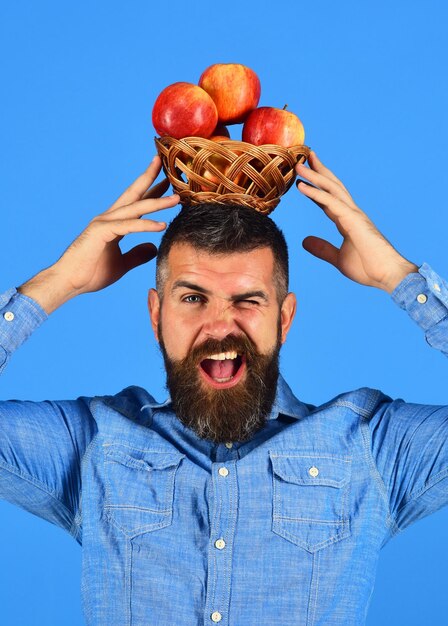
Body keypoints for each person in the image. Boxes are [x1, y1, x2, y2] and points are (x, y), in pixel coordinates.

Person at [1, 151, 447, 626]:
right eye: (193, 298)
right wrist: (57, 283)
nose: (218, 326)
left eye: (247, 300)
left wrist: (399, 277)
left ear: (285, 318)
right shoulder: (95, 443)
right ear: (156, 315)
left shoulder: (370, 447)